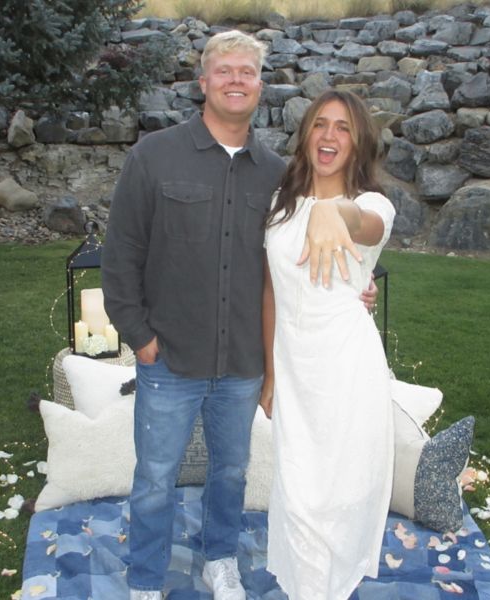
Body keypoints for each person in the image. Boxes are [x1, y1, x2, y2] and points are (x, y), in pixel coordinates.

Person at [101, 32, 377, 600]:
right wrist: (140, 337)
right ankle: (145, 580)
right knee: (155, 478)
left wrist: (355, 285)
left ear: (259, 85)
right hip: (169, 355)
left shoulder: (277, 175)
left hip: (243, 361)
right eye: (223, 70)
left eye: (246, 71)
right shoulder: (154, 156)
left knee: (230, 474)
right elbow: (122, 252)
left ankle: (219, 559)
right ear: (203, 82)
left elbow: (297, 255)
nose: (235, 80)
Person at [260, 89, 396, 600]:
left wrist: (333, 211)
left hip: (345, 367)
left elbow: (364, 225)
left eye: (343, 127)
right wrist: (271, 372)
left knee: (336, 497)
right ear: (306, 135)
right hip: (293, 367)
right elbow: (271, 288)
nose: (329, 135)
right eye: (320, 123)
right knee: (297, 494)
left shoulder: (372, 205)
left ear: (358, 142)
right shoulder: (280, 204)